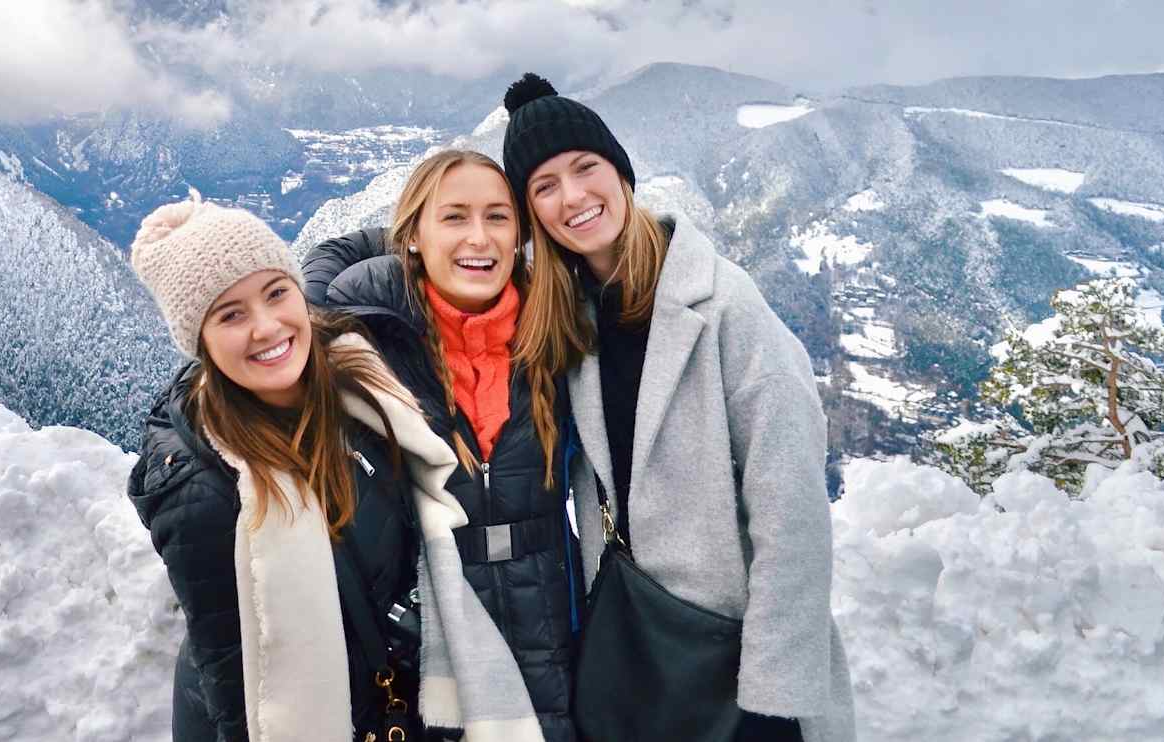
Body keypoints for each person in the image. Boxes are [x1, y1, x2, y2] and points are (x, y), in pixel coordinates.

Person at [501, 73, 857, 741]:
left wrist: (771, 691)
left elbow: (793, 511)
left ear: (621, 172)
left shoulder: (723, 306)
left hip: (731, 656)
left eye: (586, 168)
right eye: (544, 187)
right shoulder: (565, 320)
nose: (573, 196)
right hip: (631, 650)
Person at [125, 199, 542, 742]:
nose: (267, 326)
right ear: (199, 341)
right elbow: (235, 688)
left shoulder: (350, 383)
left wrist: (448, 244)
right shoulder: (205, 494)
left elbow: (346, 251)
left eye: (277, 293)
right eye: (230, 314)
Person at [302, 150, 580, 742]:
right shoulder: (367, 346)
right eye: (453, 217)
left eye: (497, 217)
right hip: (428, 660)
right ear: (412, 238)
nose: (478, 238)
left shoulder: (559, 332)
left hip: (556, 641)